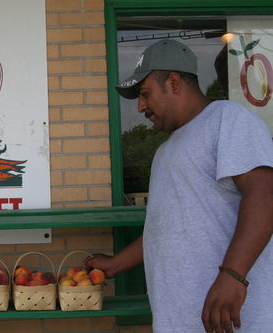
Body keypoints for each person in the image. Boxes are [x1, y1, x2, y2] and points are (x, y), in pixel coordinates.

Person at [84, 39, 273, 333]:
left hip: (233, 320)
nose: (141, 106)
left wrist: (234, 276)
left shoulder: (227, 119)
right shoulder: (165, 151)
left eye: (144, 94)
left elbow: (265, 194)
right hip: (181, 320)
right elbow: (166, 228)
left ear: (173, 83)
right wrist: (116, 265)